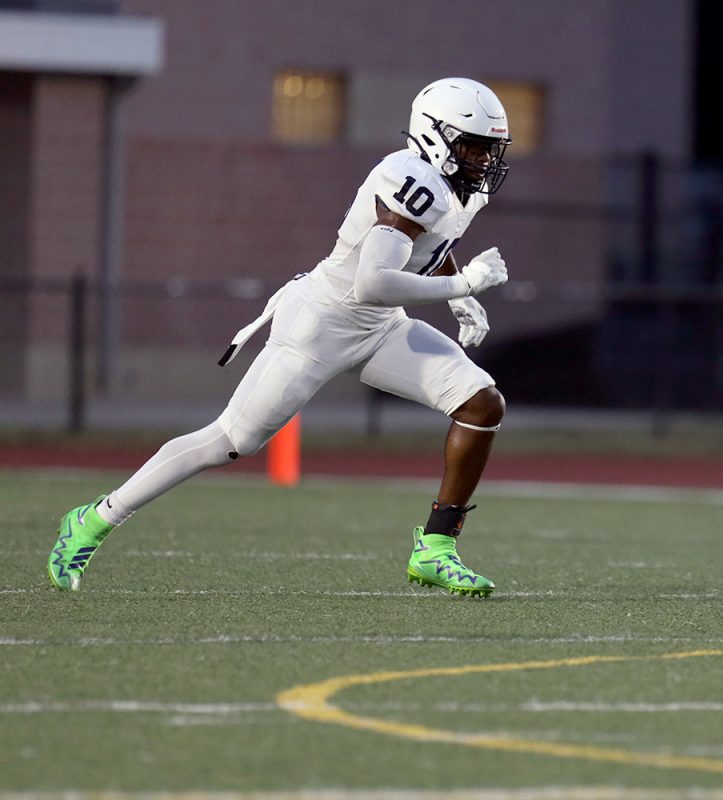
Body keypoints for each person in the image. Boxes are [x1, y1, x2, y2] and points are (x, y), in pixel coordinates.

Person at [48, 77, 514, 598]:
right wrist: (464, 282)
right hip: (321, 323)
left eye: (489, 149)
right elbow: (373, 281)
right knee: (230, 442)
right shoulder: (410, 178)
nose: (482, 160)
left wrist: (457, 297)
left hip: (380, 326)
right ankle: (93, 519)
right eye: (472, 146)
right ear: (435, 136)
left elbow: (429, 241)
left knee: (480, 403)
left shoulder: (456, 189)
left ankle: (436, 548)